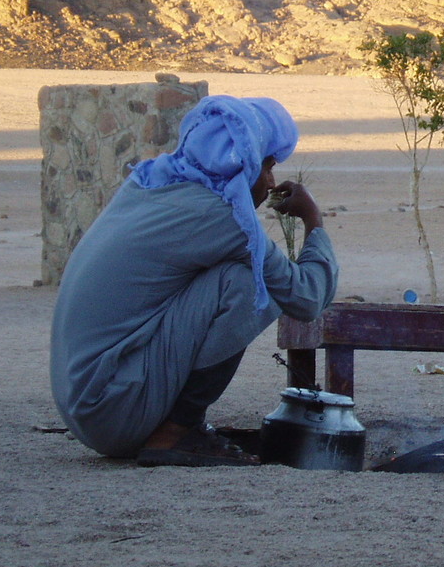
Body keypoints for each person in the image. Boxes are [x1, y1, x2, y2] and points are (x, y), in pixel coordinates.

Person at [50, 95, 339, 467]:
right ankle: (175, 432)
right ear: (243, 162)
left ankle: (173, 424)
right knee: (250, 282)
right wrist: (313, 218)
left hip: (86, 404)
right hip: (113, 412)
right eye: (266, 166)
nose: (269, 182)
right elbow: (308, 298)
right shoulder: (225, 218)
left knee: (233, 273)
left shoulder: (149, 181)